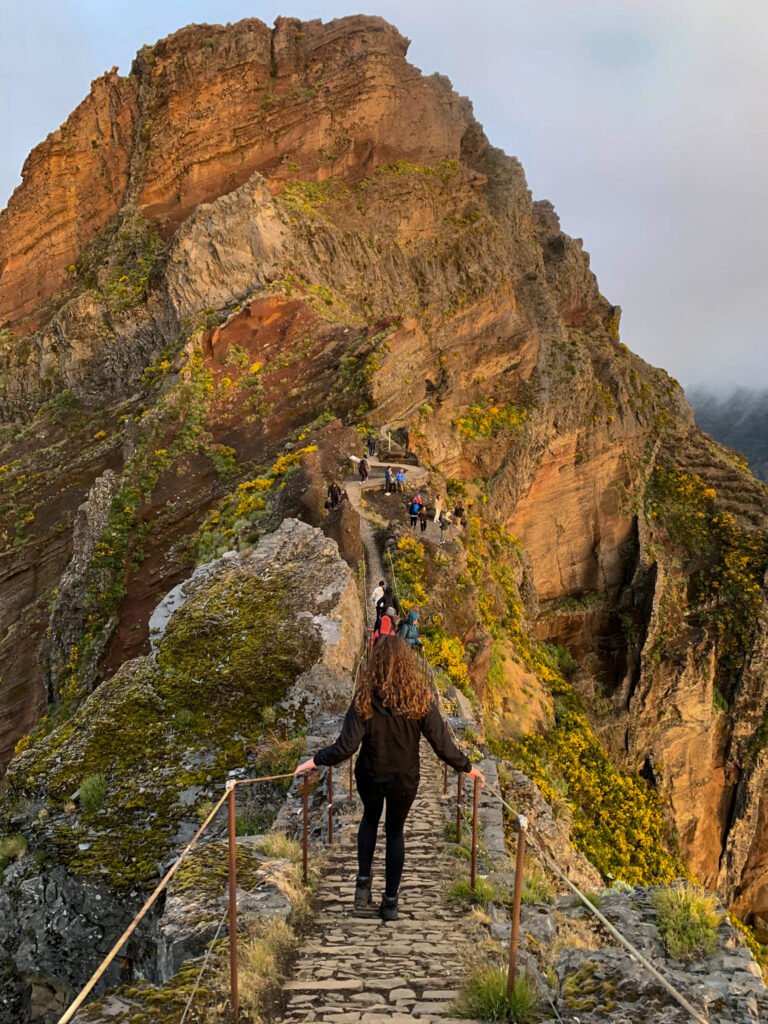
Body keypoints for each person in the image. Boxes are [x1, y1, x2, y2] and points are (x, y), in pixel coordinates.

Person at [294, 637, 485, 920]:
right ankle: (391, 903)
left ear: (376, 663)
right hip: (404, 779)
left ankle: (362, 888)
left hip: (370, 775)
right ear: (408, 663)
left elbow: (346, 746)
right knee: (395, 832)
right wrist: (467, 768)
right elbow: (442, 745)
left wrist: (315, 760)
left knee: (370, 819)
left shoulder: (364, 699)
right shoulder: (421, 698)